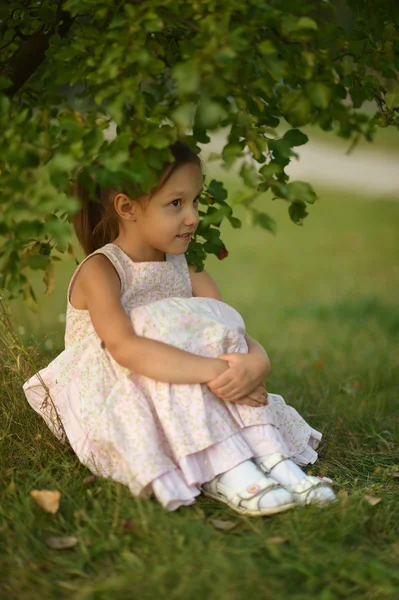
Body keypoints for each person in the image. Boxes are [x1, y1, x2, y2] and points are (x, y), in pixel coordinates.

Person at [23, 140, 336, 517]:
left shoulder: (183, 263)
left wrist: (256, 362)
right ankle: (227, 468)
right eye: (176, 203)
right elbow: (125, 348)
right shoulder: (102, 270)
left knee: (201, 320)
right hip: (120, 392)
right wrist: (217, 371)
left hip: (182, 378)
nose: (193, 217)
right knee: (153, 322)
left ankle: (270, 456)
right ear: (127, 208)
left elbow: (226, 323)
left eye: (196, 201)